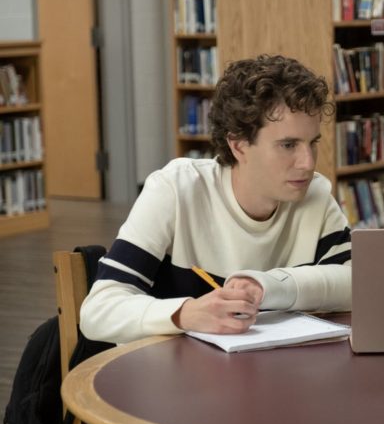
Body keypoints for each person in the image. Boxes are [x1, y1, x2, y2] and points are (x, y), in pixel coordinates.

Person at [80, 55, 351, 343]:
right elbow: (97, 311)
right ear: (239, 145)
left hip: (267, 376)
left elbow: (357, 284)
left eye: (313, 143)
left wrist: (265, 286)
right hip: (170, 376)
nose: (308, 163)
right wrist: (186, 313)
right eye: (288, 145)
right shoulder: (175, 189)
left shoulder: (315, 195)